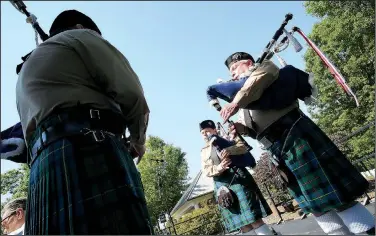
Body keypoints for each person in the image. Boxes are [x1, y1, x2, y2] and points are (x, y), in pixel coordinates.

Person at [15, 10, 153, 235]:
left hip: (42, 169)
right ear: (81, 27)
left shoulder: (27, 69)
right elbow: (132, 93)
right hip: (89, 147)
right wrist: (138, 140)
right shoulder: (80, 37)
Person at [221, 52, 375, 235]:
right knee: (315, 205)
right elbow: (255, 131)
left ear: (248, 62)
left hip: (297, 137)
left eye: (234, 68)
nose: (232, 74)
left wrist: (235, 103)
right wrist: (241, 128)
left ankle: (370, 231)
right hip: (277, 150)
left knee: (338, 199)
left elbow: (256, 84)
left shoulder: (264, 69)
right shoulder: (242, 96)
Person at [199, 120, 277, 235]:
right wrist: (219, 167)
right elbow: (206, 170)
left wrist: (228, 150)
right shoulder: (204, 151)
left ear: (215, 130)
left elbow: (243, 147)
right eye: (202, 133)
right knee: (243, 226)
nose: (205, 134)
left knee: (255, 220)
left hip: (239, 177)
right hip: (222, 185)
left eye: (207, 131)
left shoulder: (228, 137)